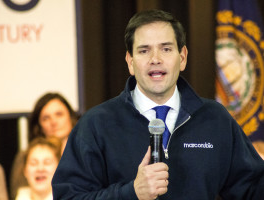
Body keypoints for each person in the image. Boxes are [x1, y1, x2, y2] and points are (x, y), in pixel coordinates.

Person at [51, 9, 264, 200]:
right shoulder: (96, 124)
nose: (155, 59)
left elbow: (252, 188)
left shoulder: (215, 119)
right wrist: (132, 193)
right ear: (130, 62)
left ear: (182, 57)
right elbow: (69, 196)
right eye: (144, 50)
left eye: (166, 49)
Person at [10, 92, 79, 199]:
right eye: (46, 118)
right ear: (39, 126)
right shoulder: (25, 156)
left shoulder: (85, 154)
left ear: (70, 117)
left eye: (59, 114)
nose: (54, 122)